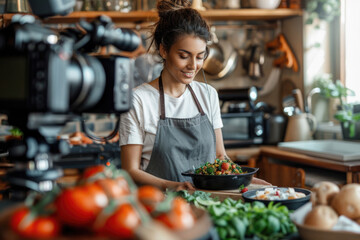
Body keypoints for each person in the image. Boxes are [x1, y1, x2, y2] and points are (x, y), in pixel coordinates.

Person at [120, 0, 270, 191]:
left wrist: (241, 178)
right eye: (184, 56)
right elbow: (130, 171)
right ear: (164, 50)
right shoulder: (138, 100)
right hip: (159, 206)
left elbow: (220, 157)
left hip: (209, 204)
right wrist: (174, 186)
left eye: (200, 56)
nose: (193, 66)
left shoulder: (207, 94)